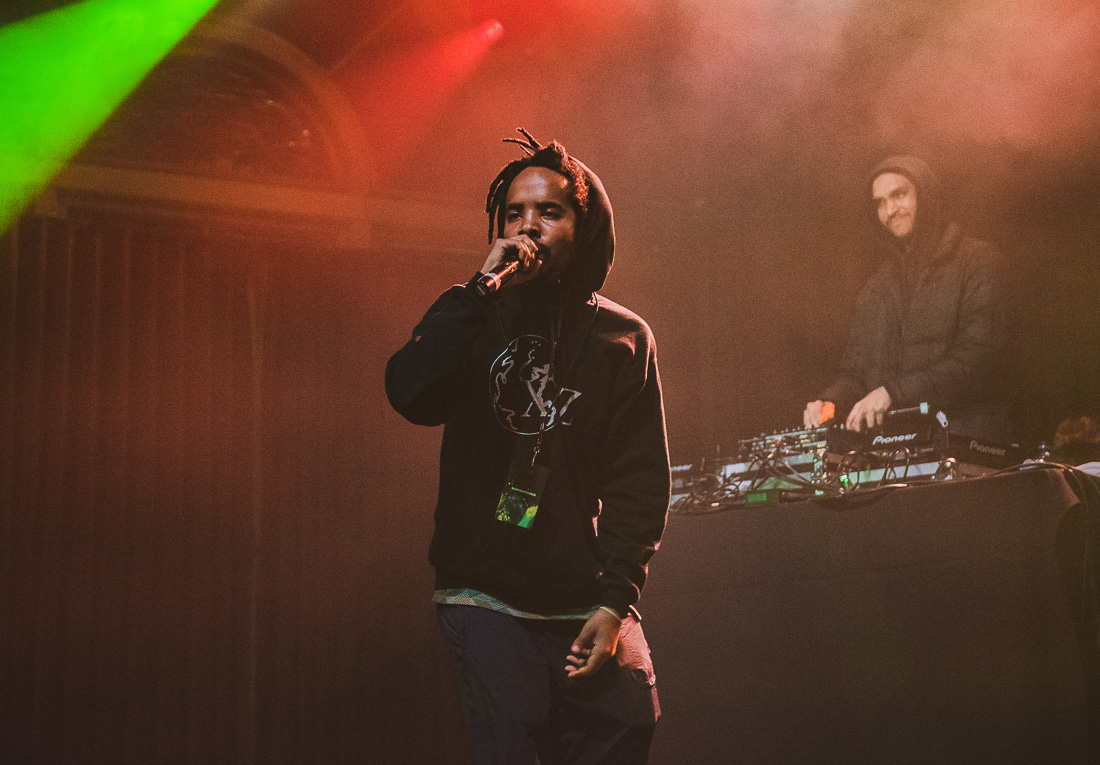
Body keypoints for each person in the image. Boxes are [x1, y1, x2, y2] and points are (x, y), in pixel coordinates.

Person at [385, 129, 670, 764]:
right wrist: (475, 293)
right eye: (514, 212)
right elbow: (409, 393)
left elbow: (640, 479)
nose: (528, 227)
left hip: (583, 592)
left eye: (549, 211)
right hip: (486, 592)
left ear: (584, 224)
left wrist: (616, 601)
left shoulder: (622, 339)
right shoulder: (473, 313)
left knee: (627, 724)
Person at [803, 155, 1013, 442]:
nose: (890, 209)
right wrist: (830, 403)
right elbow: (855, 373)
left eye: (899, 195)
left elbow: (976, 359)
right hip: (894, 446)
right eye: (879, 203)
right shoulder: (877, 286)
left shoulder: (978, 262)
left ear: (925, 195)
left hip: (964, 436)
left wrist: (893, 392)